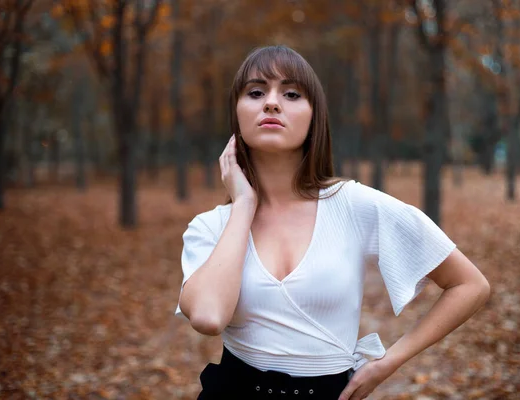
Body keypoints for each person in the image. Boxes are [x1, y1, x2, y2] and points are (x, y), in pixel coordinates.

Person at [175, 45, 490, 400]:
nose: (272, 103)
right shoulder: (209, 227)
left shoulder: (354, 205)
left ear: (314, 117)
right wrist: (244, 204)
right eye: (256, 92)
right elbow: (208, 318)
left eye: (292, 94)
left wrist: (388, 363)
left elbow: (469, 284)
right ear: (237, 114)